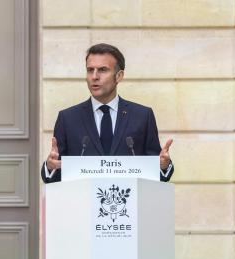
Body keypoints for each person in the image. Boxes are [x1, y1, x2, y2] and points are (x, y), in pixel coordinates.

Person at [41, 43, 173, 183]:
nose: (94, 76)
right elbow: (54, 175)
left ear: (119, 76)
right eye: (90, 70)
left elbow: (156, 169)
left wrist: (163, 166)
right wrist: (50, 167)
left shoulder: (142, 116)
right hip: (82, 202)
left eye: (102, 70)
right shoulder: (68, 118)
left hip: (129, 201)